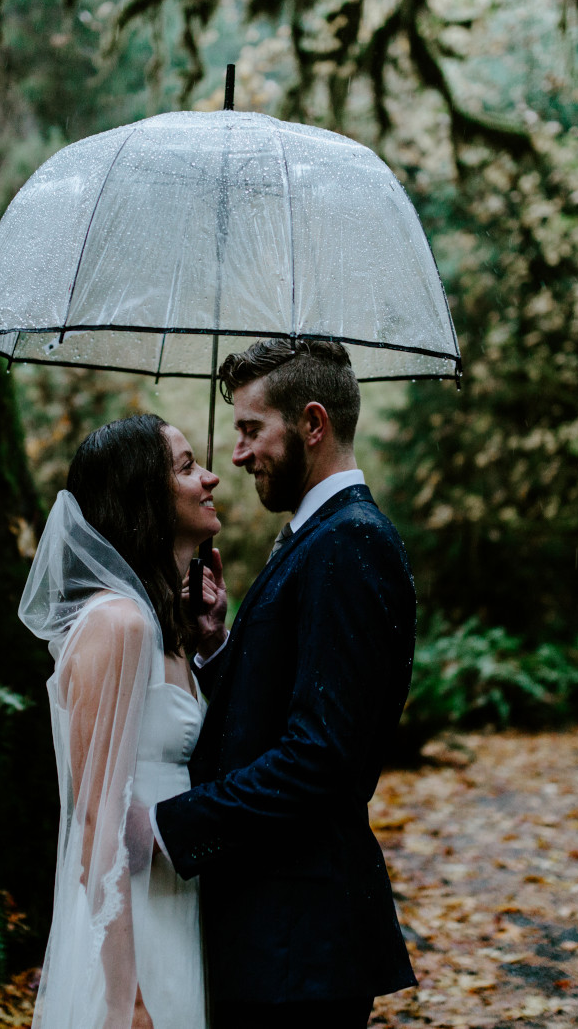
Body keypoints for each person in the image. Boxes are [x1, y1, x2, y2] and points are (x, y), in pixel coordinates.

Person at [147, 338, 419, 1029]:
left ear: (313, 424)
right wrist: (215, 643)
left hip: (299, 945)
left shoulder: (347, 542)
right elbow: (283, 710)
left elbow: (320, 757)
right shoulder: (317, 536)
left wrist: (172, 824)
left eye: (251, 429)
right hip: (275, 939)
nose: (237, 455)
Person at [19, 414, 222, 1029]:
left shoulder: (165, 627)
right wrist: (125, 999)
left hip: (175, 904)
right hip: (132, 932)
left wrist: (208, 635)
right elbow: (96, 824)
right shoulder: (119, 626)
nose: (210, 477)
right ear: (144, 496)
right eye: (187, 468)